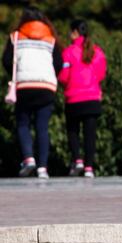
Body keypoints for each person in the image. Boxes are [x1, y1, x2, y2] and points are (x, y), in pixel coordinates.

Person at [2, 8, 62, 179]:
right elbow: (59, 62)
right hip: (46, 86)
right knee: (42, 127)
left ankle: (29, 159)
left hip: (24, 86)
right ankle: (43, 168)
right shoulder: (51, 39)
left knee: (23, 123)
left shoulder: (16, 37)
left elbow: (6, 60)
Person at [58, 20, 106, 178]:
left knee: (73, 131)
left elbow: (64, 76)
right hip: (92, 98)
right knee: (90, 134)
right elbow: (101, 74)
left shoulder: (68, 52)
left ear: (75, 33)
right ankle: (89, 168)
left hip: (74, 98)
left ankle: (77, 159)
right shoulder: (97, 51)